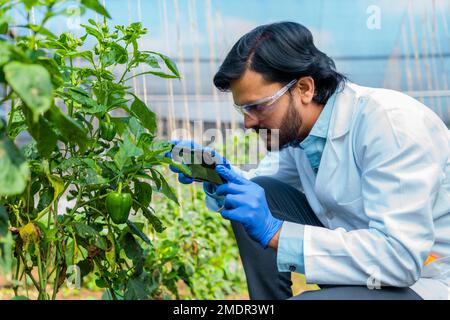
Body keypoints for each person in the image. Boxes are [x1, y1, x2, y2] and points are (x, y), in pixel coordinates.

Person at [168, 22, 450, 300]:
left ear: (304, 88)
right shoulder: (301, 134)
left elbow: (399, 259)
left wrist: (277, 233)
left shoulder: (390, 124)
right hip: (365, 272)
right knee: (257, 192)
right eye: (242, 108)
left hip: (424, 280)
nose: (248, 121)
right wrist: (220, 177)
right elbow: (259, 192)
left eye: (258, 106)